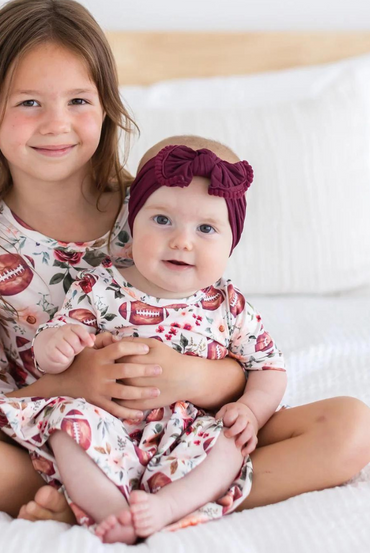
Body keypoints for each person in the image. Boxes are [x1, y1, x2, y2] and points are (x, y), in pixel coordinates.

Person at [0, 0, 370, 540]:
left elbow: (228, 336)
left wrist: (192, 377)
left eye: (79, 100)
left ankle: (153, 504)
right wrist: (74, 384)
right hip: (65, 441)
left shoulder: (161, 211)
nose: (57, 123)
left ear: (106, 107)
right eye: (29, 103)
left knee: (352, 428)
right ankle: (99, 497)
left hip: (189, 429)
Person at [27, 136, 286, 542]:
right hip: (107, 422)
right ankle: (111, 509)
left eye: (206, 228)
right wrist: (56, 346)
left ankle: (168, 506)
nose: (182, 241)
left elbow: (269, 368)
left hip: (188, 433)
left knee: (231, 445)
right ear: (133, 222)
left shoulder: (229, 306)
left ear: (231, 241)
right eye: (162, 220)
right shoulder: (99, 287)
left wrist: (250, 411)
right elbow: (48, 349)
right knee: (64, 426)